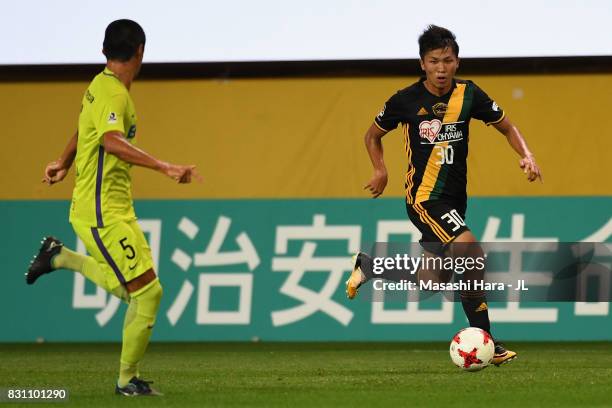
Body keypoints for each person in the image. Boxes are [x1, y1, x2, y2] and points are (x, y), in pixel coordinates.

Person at [346, 25, 542, 366]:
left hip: (454, 199)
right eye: (434, 61)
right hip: (424, 198)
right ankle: (488, 342)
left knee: (431, 280)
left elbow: (508, 126)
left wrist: (526, 154)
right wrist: (380, 170)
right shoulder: (404, 100)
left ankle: (370, 266)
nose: (441, 68)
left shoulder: (469, 95)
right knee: (471, 252)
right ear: (422, 63)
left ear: (457, 62)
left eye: (447, 60)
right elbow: (372, 136)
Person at [26, 19, 201, 396]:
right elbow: (109, 140)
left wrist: (63, 161)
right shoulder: (115, 95)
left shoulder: (100, 86)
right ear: (141, 51)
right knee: (148, 294)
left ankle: (60, 257)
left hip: (113, 208)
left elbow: (83, 127)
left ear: (104, 50)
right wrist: (164, 166)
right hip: (101, 210)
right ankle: (126, 382)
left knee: (139, 291)